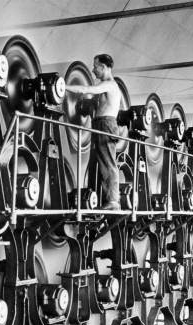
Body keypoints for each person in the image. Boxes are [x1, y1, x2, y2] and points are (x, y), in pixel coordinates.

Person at [66, 54, 122, 210]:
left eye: (95, 66)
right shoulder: (105, 86)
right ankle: (99, 198)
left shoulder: (110, 85)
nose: (92, 70)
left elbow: (86, 89)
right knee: (98, 163)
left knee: (108, 162)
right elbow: (94, 104)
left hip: (106, 125)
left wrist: (64, 87)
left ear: (103, 67)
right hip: (99, 124)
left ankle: (113, 201)